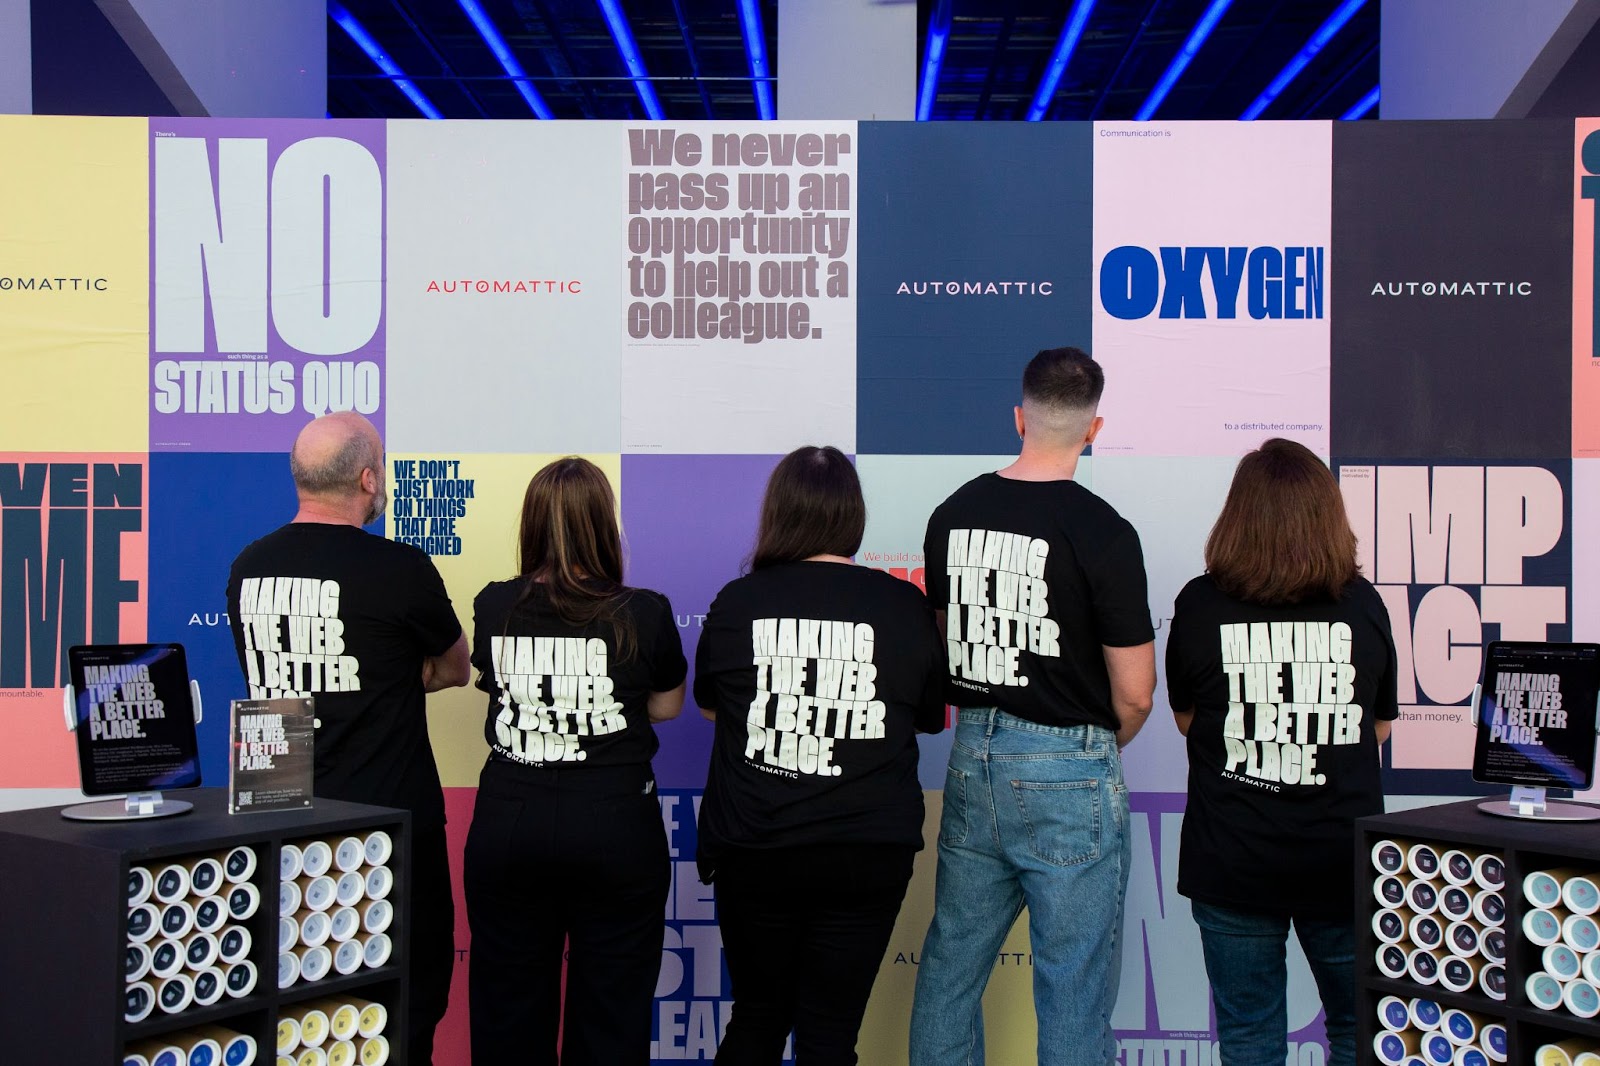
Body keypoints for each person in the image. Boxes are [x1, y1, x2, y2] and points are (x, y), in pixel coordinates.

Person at [910, 346, 1156, 1066]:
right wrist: (1086, 749)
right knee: (1073, 988)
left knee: (950, 974)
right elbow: (1136, 694)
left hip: (972, 757)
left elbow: (941, 642)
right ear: (1094, 429)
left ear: (1018, 418)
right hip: (1068, 764)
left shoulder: (953, 514)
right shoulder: (1105, 532)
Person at [225, 411, 469, 1065]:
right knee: (402, 1013)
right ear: (368, 478)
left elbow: (272, 688)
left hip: (281, 824)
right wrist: (391, 676)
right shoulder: (399, 567)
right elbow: (455, 667)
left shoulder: (249, 567)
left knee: (297, 1019)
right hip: (385, 832)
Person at [695, 445, 947, 1066]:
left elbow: (712, 708)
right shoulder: (904, 605)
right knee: (830, 1036)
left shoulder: (736, 602)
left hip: (758, 849)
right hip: (865, 853)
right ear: (852, 516)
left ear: (779, 512)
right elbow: (928, 719)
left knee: (757, 1019)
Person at [1165, 438, 1397, 1066]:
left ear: (1238, 517)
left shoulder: (1200, 602)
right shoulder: (1363, 605)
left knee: (1248, 1037)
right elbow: (1376, 728)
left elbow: (1188, 720)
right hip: (1340, 859)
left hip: (1234, 858)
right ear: (1328, 515)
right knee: (1358, 1032)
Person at [463, 457, 687, 1066]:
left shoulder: (494, 605)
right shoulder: (644, 611)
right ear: (603, 526)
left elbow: (497, 686)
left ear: (532, 525)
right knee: (611, 1019)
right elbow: (666, 708)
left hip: (510, 824)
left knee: (509, 1015)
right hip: (614, 827)